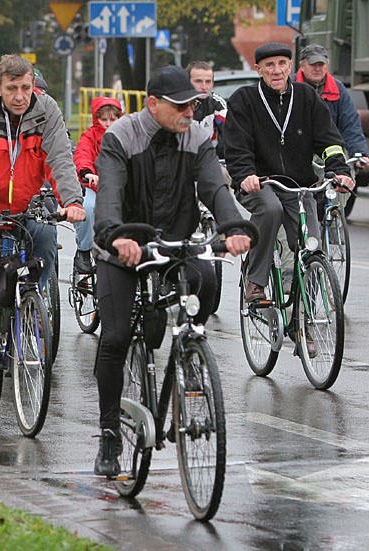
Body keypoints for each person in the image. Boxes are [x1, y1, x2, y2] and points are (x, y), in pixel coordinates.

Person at [92, 65, 252, 476]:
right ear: (153, 104)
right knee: (115, 336)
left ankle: (187, 361)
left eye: (193, 105)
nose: (188, 112)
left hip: (174, 244)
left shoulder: (196, 137)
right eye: (180, 106)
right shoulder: (121, 136)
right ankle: (110, 433)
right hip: (124, 246)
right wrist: (115, 235)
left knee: (206, 282)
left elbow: (215, 188)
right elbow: (108, 194)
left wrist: (233, 228)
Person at [0, 54, 85, 410]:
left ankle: (30, 308)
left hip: (26, 208)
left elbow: (59, 157)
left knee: (45, 239)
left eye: (26, 87)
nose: (20, 96)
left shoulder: (46, 110)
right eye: (12, 89)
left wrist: (71, 200)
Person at [223, 43, 353, 317]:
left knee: (312, 249)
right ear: (258, 69)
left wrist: (338, 169)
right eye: (269, 65)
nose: (277, 70)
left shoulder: (305, 96)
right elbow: (236, 147)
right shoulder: (244, 99)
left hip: (299, 185)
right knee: (271, 209)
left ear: (290, 67)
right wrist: (246, 174)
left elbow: (329, 139)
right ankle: (255, 282)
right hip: (259, 183)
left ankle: (302, 321)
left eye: (282, 63)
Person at [295, 44, 369, 170]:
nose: (317, 68)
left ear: (327, 65)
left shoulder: (337, 88)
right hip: (297, 155)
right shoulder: (290, 87)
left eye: (321, 64)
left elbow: (350, 123)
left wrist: (359, 153)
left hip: (330, 152)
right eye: (313, 64)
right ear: (302, 66)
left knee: (345, 182)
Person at [72, 96, 122, 274]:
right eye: (104, 119)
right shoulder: (89, 136)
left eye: (113, 119)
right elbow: (82, 155)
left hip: (120, 188)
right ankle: (84, 251)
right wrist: (87, 172)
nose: (108, 124)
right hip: (96, 187)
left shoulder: (125, 135)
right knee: (88, 208)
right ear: (96, 119)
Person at [186, 61, 228, 158]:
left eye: (208, 82)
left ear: (213, 84)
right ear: (187, 82)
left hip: (209, 159)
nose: (204, 87)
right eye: (198, 81)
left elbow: (230, 132)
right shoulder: (178, 104)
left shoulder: (217, 103)